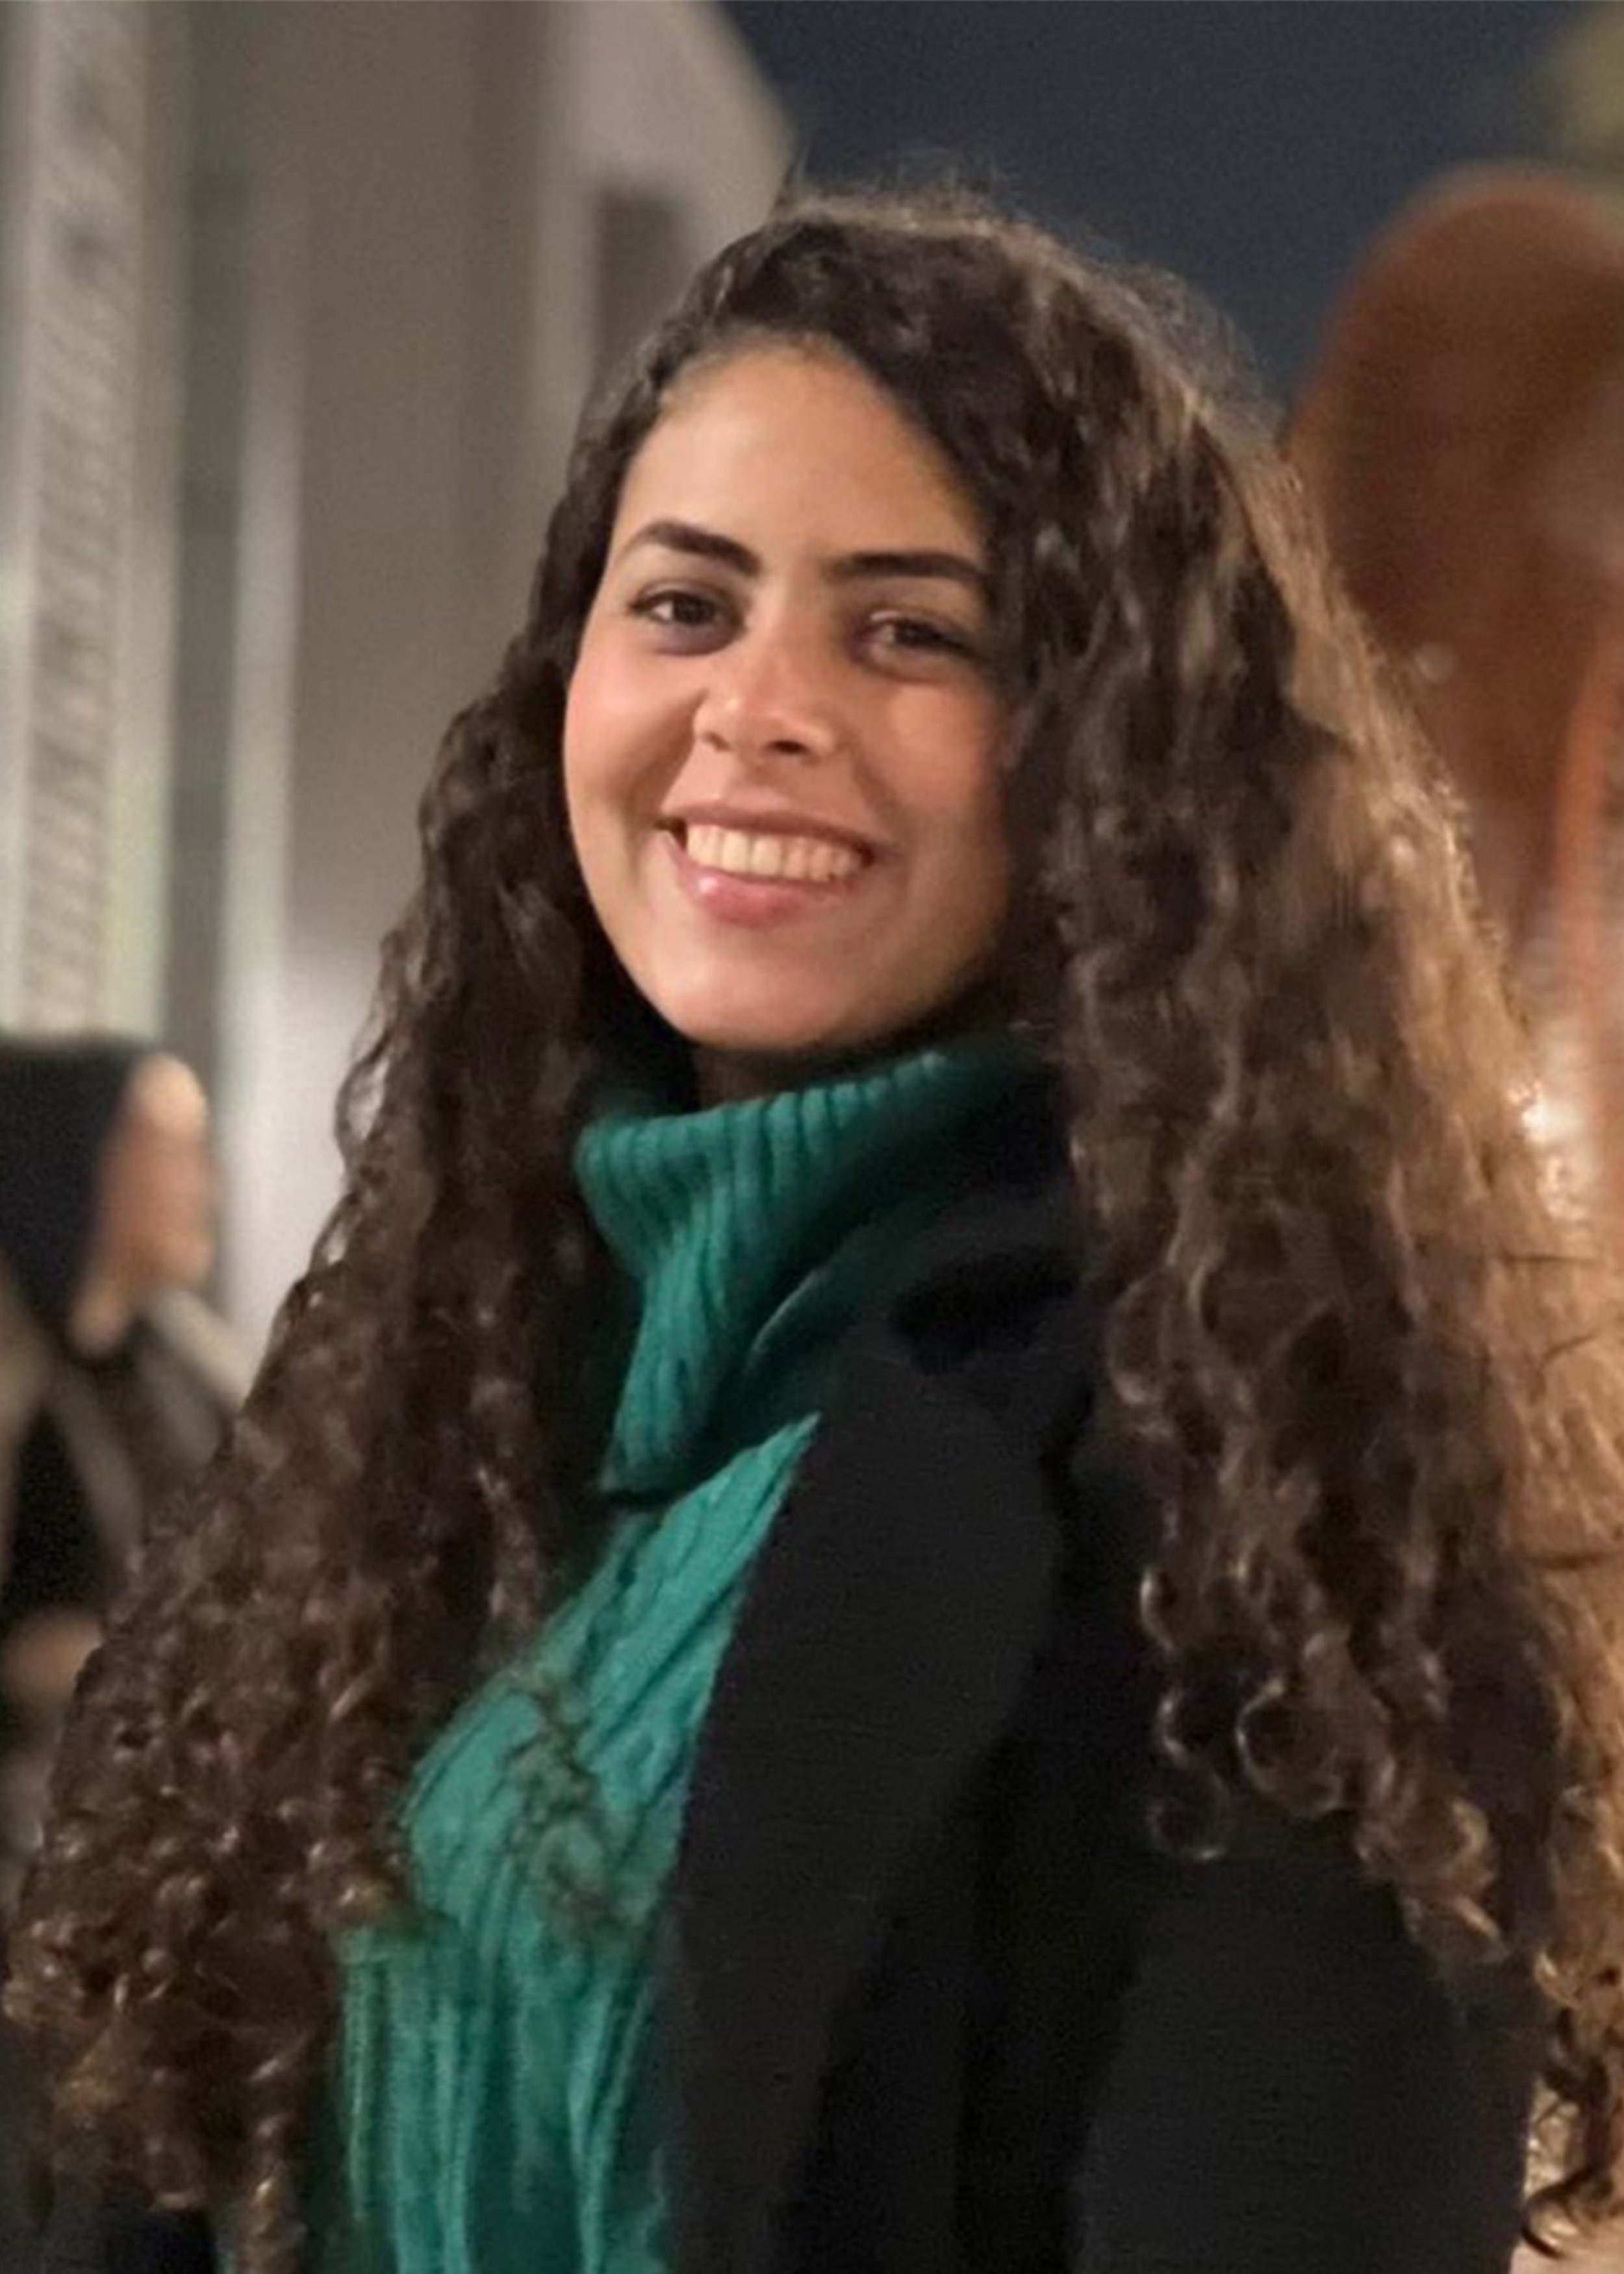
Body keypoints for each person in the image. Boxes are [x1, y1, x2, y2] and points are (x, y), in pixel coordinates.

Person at [11, 189, 1624, 2274]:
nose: (756, 706)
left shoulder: (1274, 1469)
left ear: (1105, 752)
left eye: (908, 631)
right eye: (685, 605)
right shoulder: (409, 1404)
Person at [0, 1039, 244, 2266]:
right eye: (168, 1146)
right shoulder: (21, 1379)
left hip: (163, 1892)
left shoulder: (188, 1369)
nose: (203, 1181)